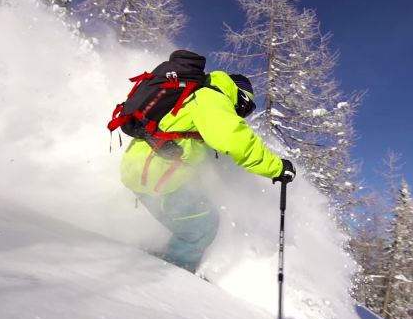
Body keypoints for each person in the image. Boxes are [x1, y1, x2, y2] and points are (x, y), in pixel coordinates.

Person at [119, 65, 296, 273]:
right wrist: (276, 168)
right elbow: (235, 140)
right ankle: (171, 273)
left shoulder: (199, 98)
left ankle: (158, 255)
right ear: (240, 97)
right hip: (154, 174)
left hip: (146, 170)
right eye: (245, 108)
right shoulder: (212, 98)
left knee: (197, 215)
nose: (242, 114)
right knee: (203, 226)